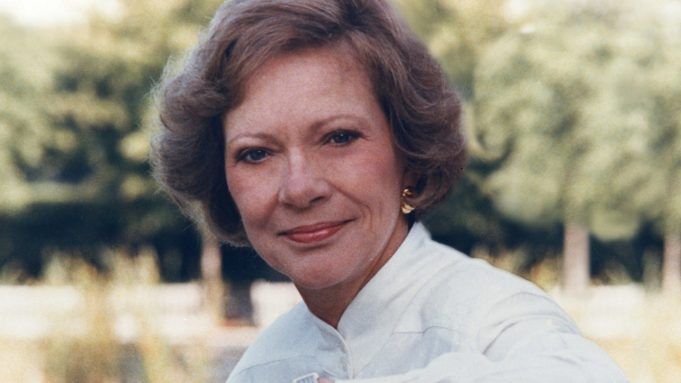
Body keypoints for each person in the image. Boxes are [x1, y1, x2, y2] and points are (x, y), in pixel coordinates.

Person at [151, 0, 629, 382]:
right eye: (257, 153)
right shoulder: (264, 367)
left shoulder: (492, 319)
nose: (299, 189)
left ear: (407, 150)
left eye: (339, 138)